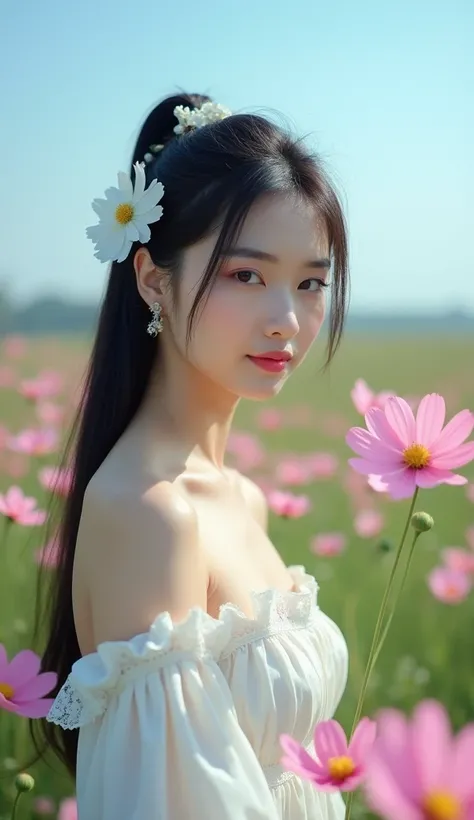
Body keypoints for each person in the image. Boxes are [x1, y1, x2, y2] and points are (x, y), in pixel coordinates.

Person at [32, 92, 350, 819]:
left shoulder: (240, 497)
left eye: (310, 282)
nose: (287, 321)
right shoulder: (151, 515)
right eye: (247, 275)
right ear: (152, 278)